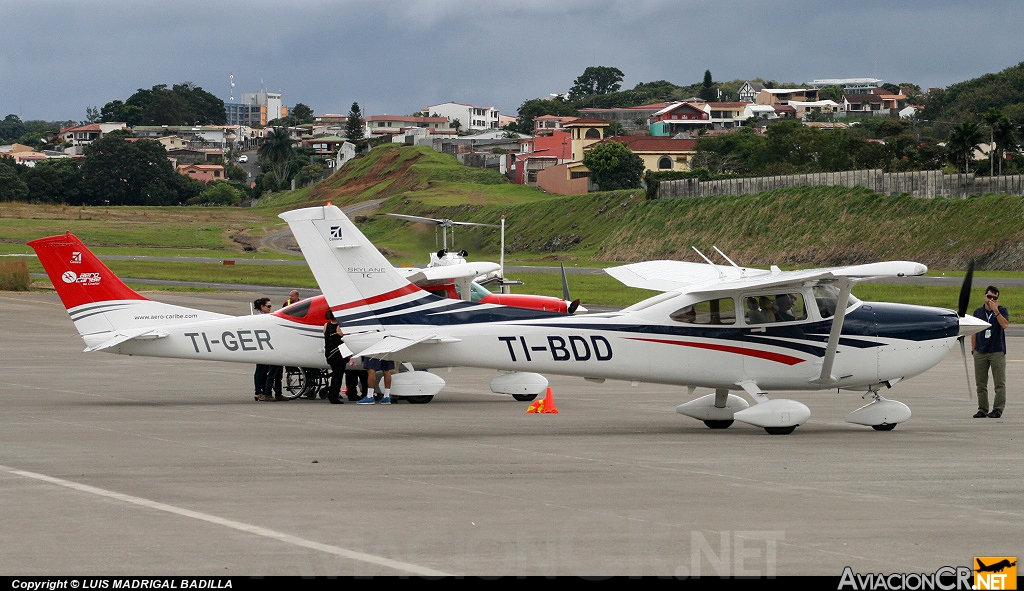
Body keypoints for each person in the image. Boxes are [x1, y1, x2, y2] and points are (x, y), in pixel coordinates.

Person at [972, 285, 1009, 418]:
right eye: (989, 297)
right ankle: (982, 408)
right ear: (985, 296)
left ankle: (998, 409)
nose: (991, 300)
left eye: (994, 298)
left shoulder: (1002, 310)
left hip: (996, 351)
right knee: (980, 383)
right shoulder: (978, 312)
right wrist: (974, 349)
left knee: (999, 382)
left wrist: (996, 311)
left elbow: (1005, 325)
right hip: (981, 351)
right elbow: (974, 331)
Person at [323, 310, 350, 404]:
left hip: (329, 353)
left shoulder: (326, 325)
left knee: (335, 374)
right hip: (338, 354)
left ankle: (332, 394)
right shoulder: (339, 327)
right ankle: (334, 395)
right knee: (338, 376)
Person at [252, 297, 273, 402]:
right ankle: (258, 392)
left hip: (266, 347)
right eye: (268, 306)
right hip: (261, 348)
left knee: (265, 370)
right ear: (262, 307)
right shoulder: (260, 318)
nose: (270, 308)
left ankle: (263, 391)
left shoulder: (266, 317)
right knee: (261, 370)